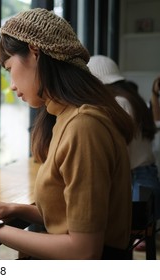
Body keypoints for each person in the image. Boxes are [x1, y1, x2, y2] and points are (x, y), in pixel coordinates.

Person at [0, 8, 135, 259]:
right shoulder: (67, 118)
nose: (11, 84)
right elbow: (69, 215)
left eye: (9, 68)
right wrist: (11, 208)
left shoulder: (84, 127)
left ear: (34, 52)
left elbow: (84, 251)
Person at [88, 56, 160, 251]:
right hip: (146, 179)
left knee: (110, 232)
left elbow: (120, 151)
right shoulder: (132, 99)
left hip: (136, 181)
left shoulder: (119, 103)